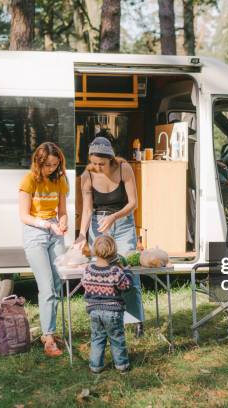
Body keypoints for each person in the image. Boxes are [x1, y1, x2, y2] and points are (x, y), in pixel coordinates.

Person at [74, 136, 145, 337]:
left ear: (111, 159)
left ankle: (136, 321)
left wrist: (114, 216)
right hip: (98, 226)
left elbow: (133, 203)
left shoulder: (124, 169)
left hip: (122, 224)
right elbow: (87, 210)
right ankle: (104, 323)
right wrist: (81, 234)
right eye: (94, 162)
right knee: (101, 275)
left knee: (129, 272)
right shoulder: (87, 175)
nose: (97, 166)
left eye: (101, 163)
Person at [18, 142, 68, 357]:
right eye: (47, 165)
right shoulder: (28, 180)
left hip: (55, 232)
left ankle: (50, 331)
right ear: (38, 164)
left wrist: (63, 223)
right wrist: (45, 224)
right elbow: (24, 215)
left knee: (57, 283)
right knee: (46, 286)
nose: (52, 169)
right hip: (35, 233)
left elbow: (63, 211)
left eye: (55, 165)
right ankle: (48, 338)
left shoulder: (60, 179)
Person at [81, 235, 132, 373]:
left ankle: (95, 366)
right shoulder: (115, 271)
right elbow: (126, 286)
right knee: (117, 338)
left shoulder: (88, 269)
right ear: (114, 252)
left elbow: (84, 284)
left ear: (95, 251)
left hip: (94, 311)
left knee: (97, 338)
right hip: (113, 311)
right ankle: (121, 365)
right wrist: (126, 270)